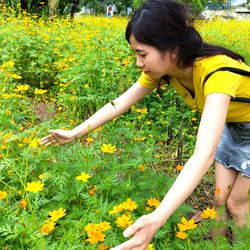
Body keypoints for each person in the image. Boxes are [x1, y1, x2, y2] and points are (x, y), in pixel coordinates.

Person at [40, 0, 250, 249]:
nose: (139, 63)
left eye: (142, 54)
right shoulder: (166, 69)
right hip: (232, 127)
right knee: (218, 200)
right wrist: (75, 132)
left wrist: (156, 218)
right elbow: (120, 103)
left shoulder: (218, 73)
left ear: (172, 49)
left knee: (237, 205)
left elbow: (202, 155)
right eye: (136, 54)